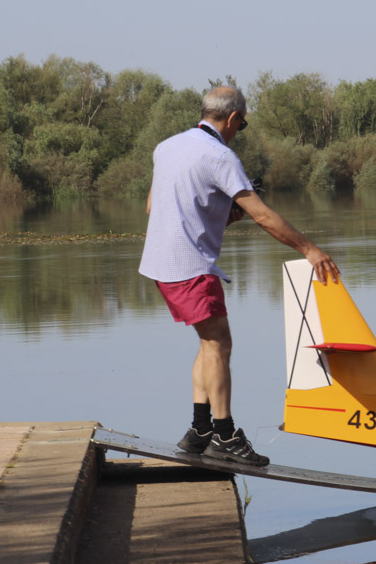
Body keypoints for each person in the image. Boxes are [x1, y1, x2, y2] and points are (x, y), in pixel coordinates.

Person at [139, 85, 339, 467]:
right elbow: (263, 215)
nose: (238, 131)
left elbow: (154, 206)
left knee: (207, 342)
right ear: (232, 119)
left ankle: (199, 431)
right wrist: (310, 250)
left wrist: (219, 213)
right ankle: (225, 435)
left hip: (161, 266)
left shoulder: (166, 147)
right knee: (219, 344)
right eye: (241, 125)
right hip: (190, 268)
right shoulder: (220, 156)